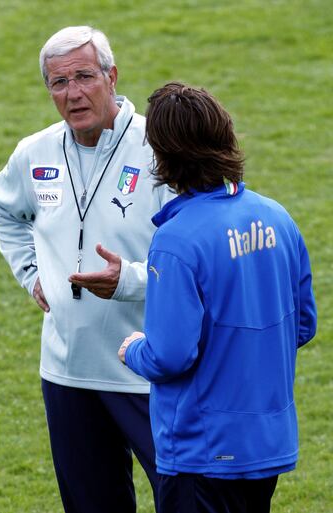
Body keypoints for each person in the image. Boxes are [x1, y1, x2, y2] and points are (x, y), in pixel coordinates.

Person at [0, 26, 173, 513]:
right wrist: (31, 274)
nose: (72, 94)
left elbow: (199, 249)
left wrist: (128, 280)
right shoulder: (35, 153)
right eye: (58, 82)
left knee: (185, 500)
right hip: (68, 372)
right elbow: (0, 206)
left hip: (152, 371)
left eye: (85, 77)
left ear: (112, 77)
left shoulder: (161, 149)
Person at [118, 82, 317, 513]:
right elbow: (303, 324)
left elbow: (170, 355)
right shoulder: (276, 216)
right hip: (267, 445)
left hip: (202, 454)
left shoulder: (176, 241)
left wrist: (133, 350)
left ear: (163, 156)